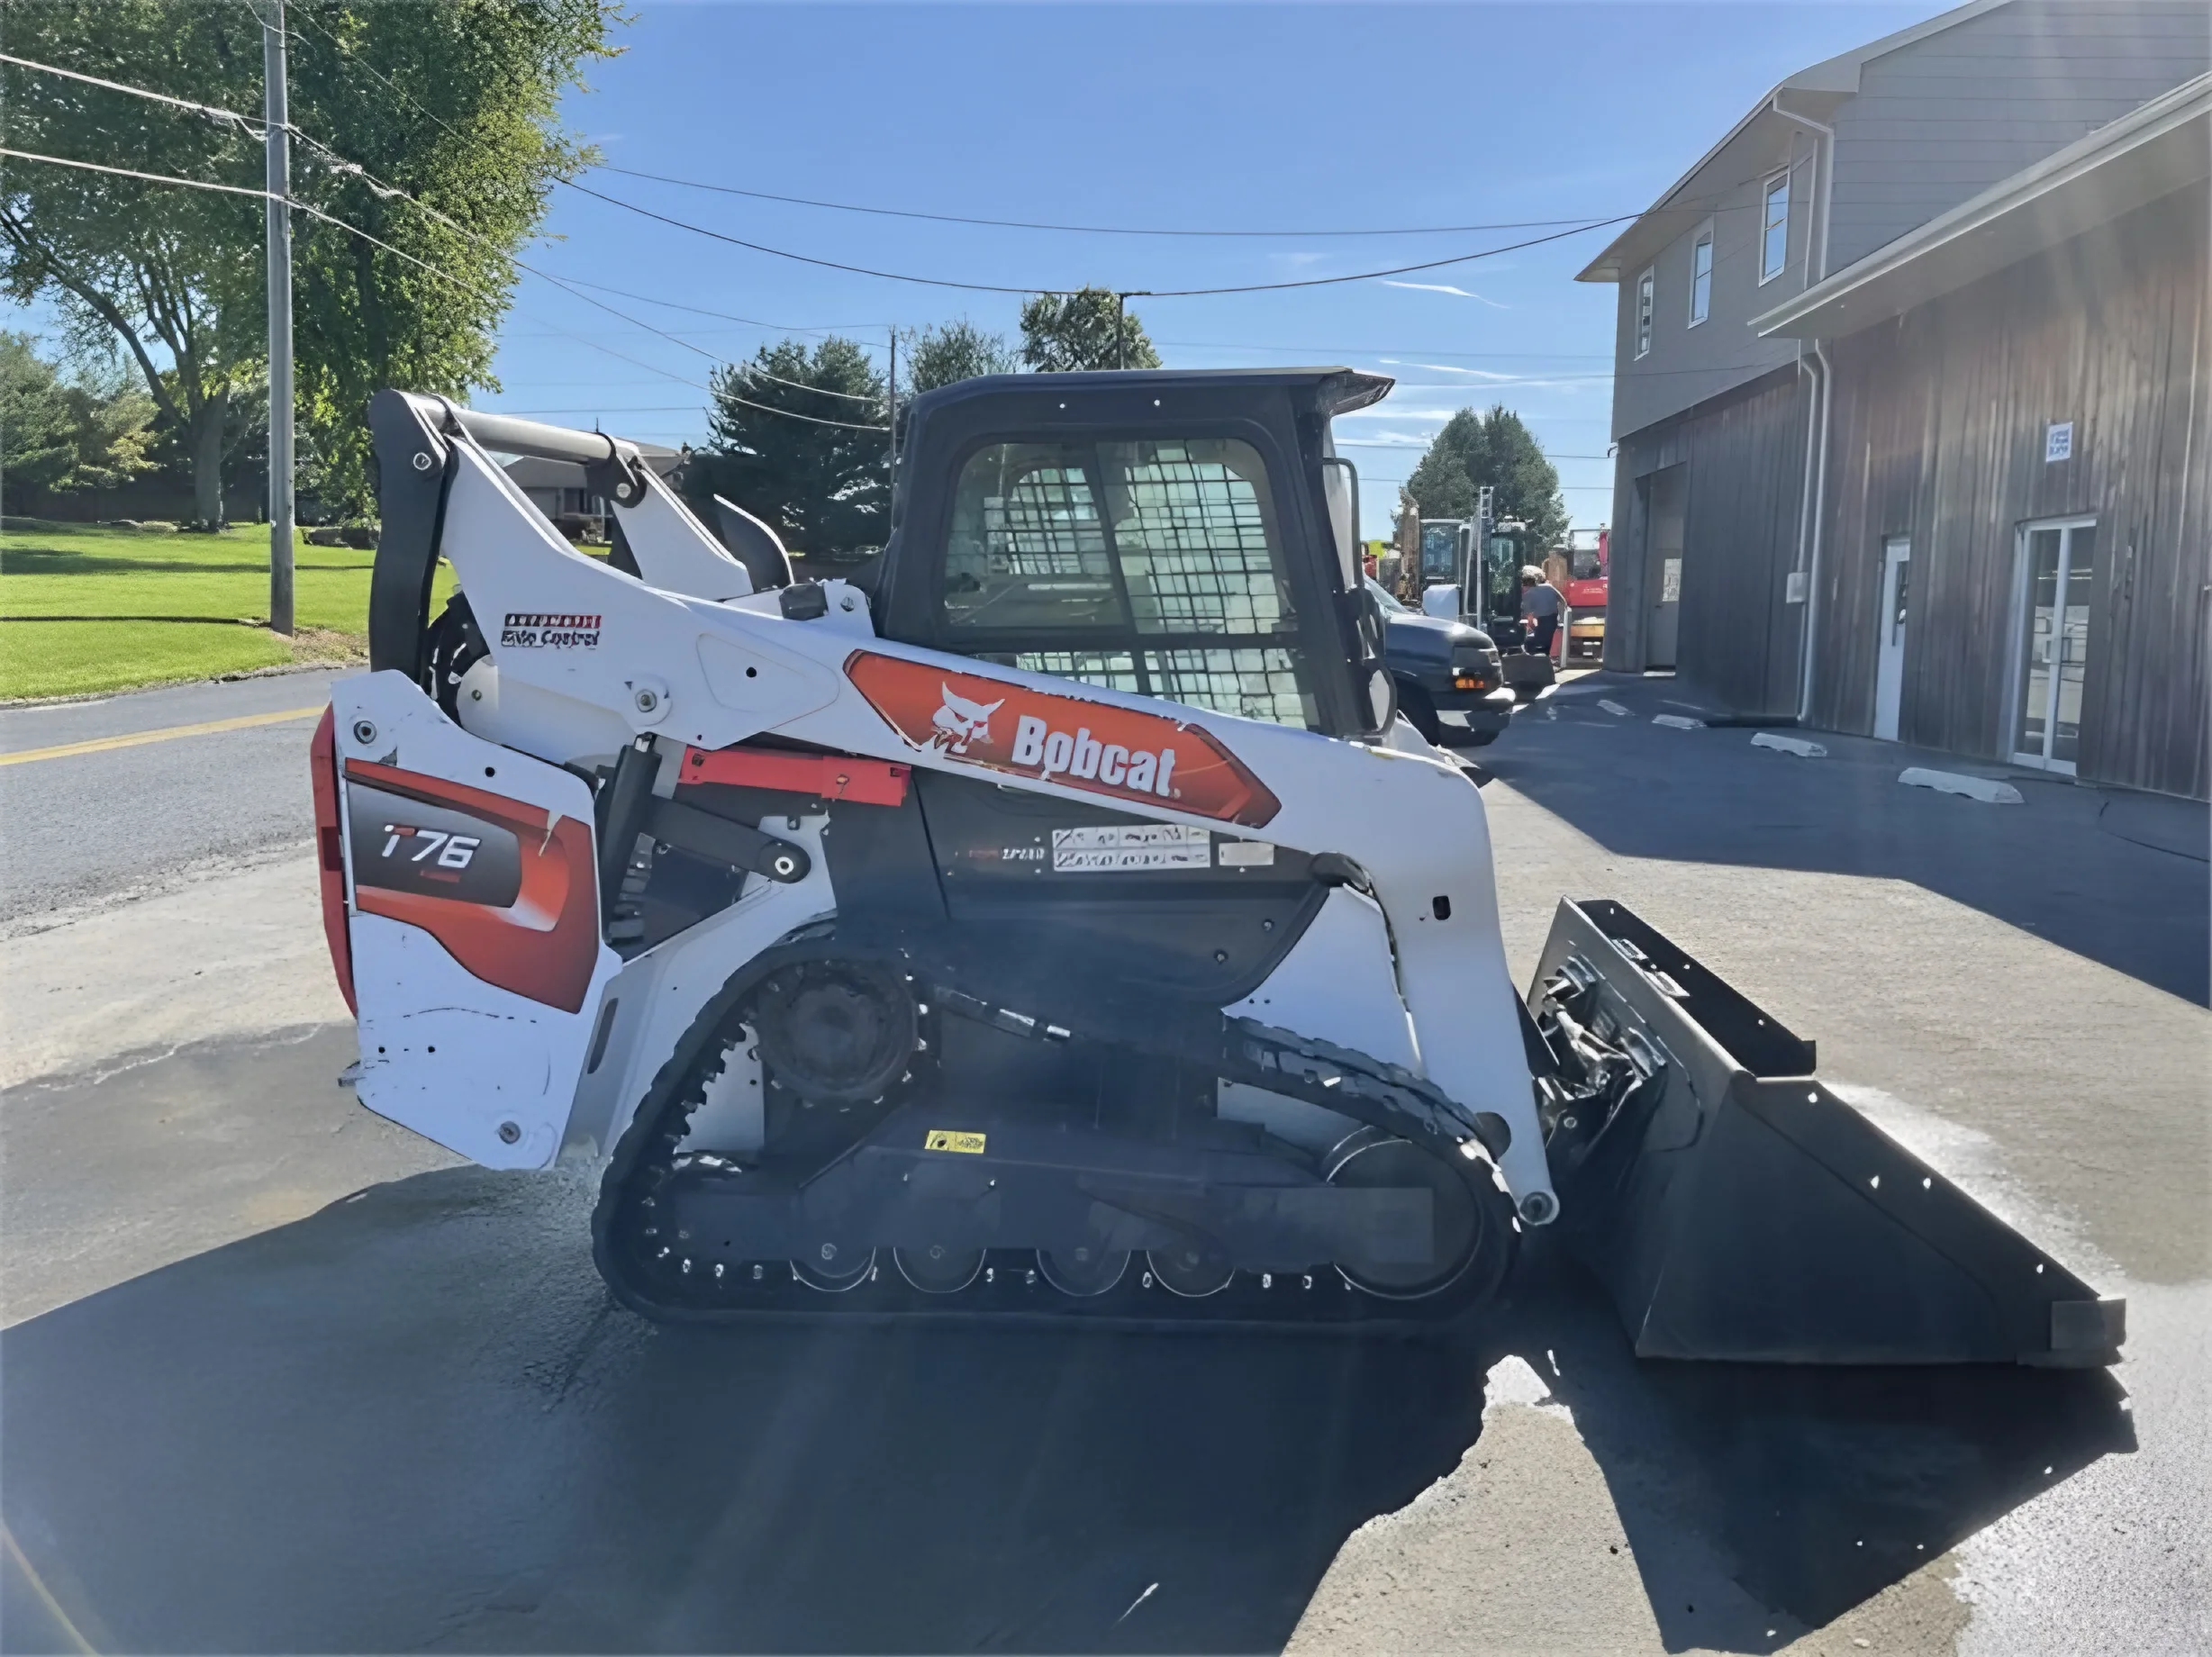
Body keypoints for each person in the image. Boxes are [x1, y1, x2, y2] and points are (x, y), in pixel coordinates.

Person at [1518, 566, 1564, 657]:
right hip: (1553, 618)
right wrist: (1562, 618)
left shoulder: (1528, 594)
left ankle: (1539, 658)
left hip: (1542, 621)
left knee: (1537, 643)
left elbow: (1527, 615)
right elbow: (1563, 601)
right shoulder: (1549, 587)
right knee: (1547, 642)